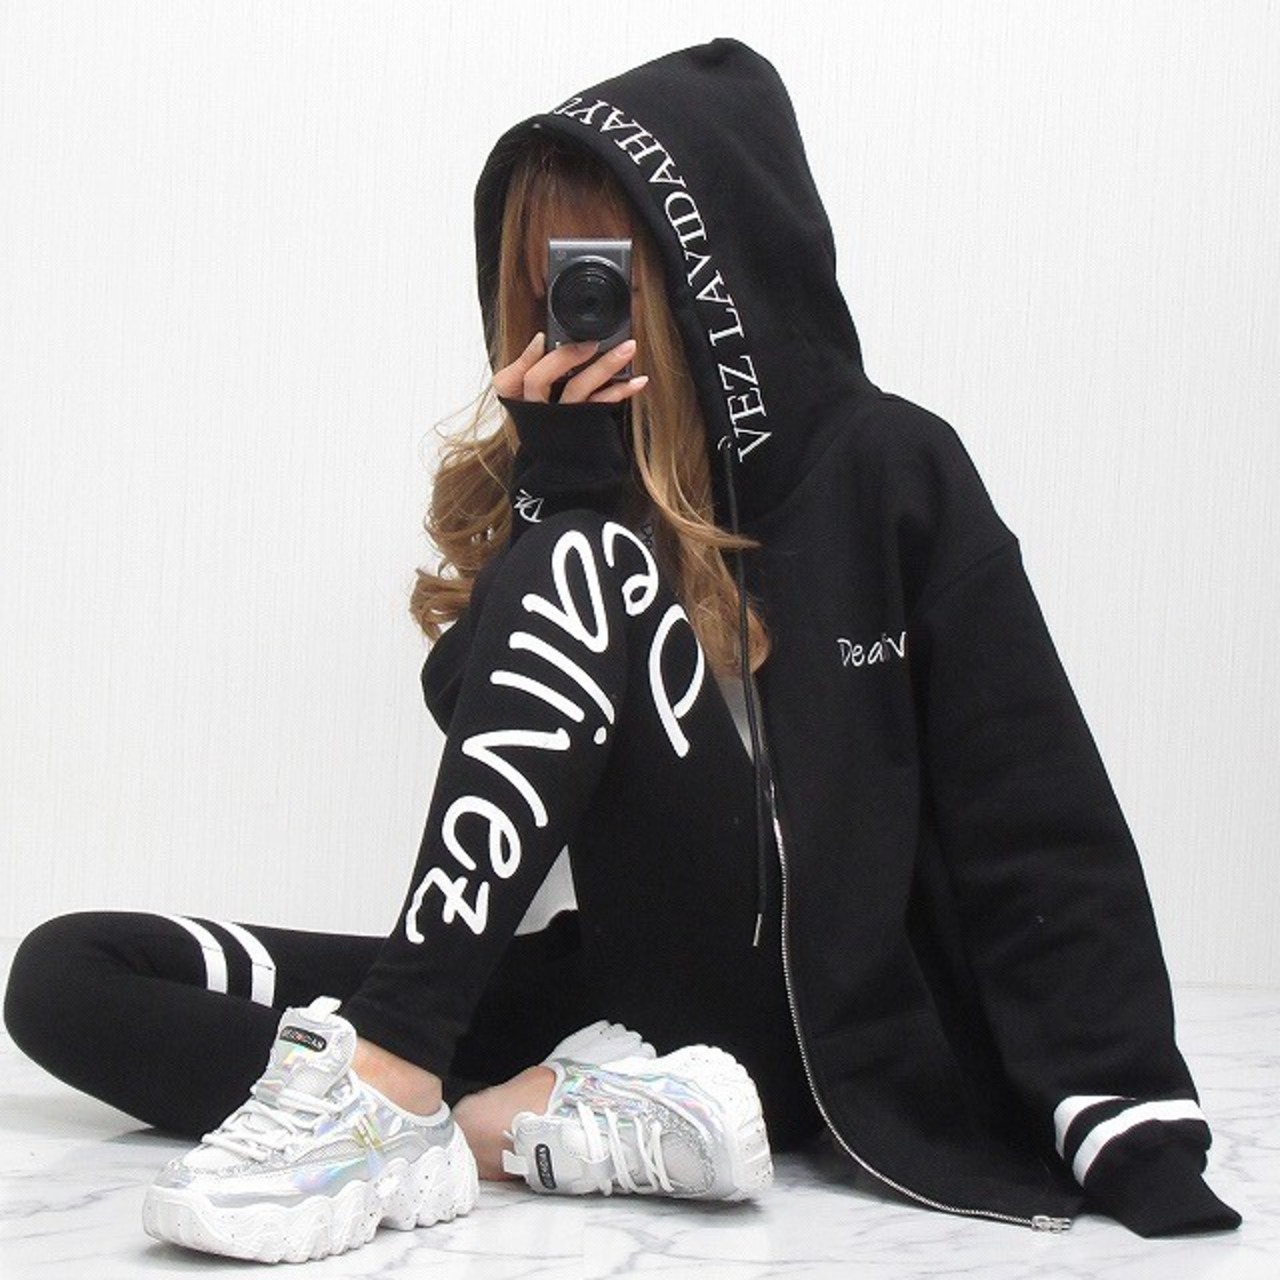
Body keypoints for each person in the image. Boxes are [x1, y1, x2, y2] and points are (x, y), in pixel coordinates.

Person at [3, 34, 1240, 1266]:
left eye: (605, 266)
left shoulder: (889, 469)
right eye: (544, 271)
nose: (575, 300)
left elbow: (1033, 806)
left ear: (710, 270)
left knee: (585, 571)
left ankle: (389, 1084)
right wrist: (558, 490)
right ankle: (509, 1121)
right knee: (69, 973)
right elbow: (484, 725)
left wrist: (1123, 1110)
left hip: (805, 1021)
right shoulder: (555, 480)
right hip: (620, 999)